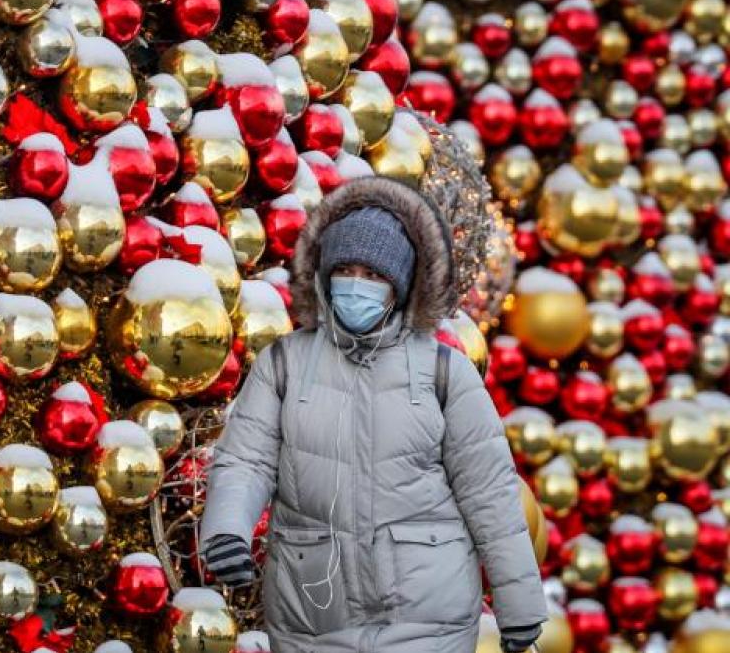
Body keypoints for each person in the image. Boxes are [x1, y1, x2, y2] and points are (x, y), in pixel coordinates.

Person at [201, 176, 547, 653]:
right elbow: (246, 460)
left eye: (374, 275)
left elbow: (490, 493)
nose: (357, 286)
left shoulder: (445, 374)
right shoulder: (285, 366)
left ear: (400, 287)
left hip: (428, 619)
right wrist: (227, 530)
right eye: (346, 270)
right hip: (312, 616)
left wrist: (519, 606)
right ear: (323, 276)